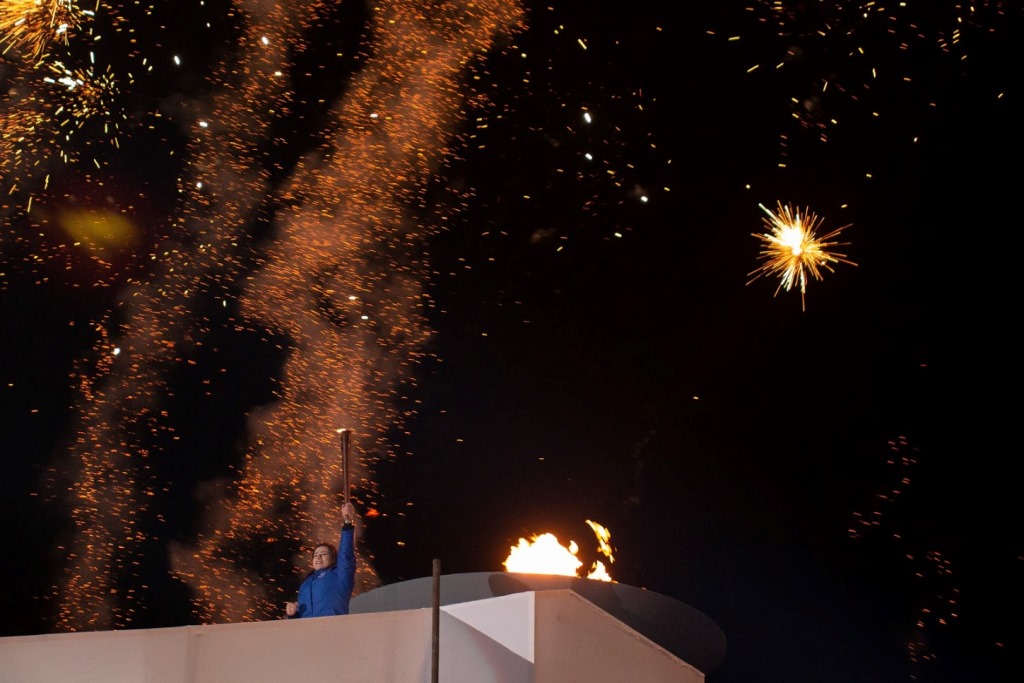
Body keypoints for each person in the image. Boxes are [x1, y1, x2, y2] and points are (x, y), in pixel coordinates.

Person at [285, 501, 357, 618]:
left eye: (323, 554)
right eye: (315, 555)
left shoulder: (340, 576)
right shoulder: (305, 584)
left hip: (332, 627)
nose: (318, 557)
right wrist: (292, 613)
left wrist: (347, 523)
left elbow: (346, 555)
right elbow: (301, 619)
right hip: (309, 629)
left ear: (333, 559)